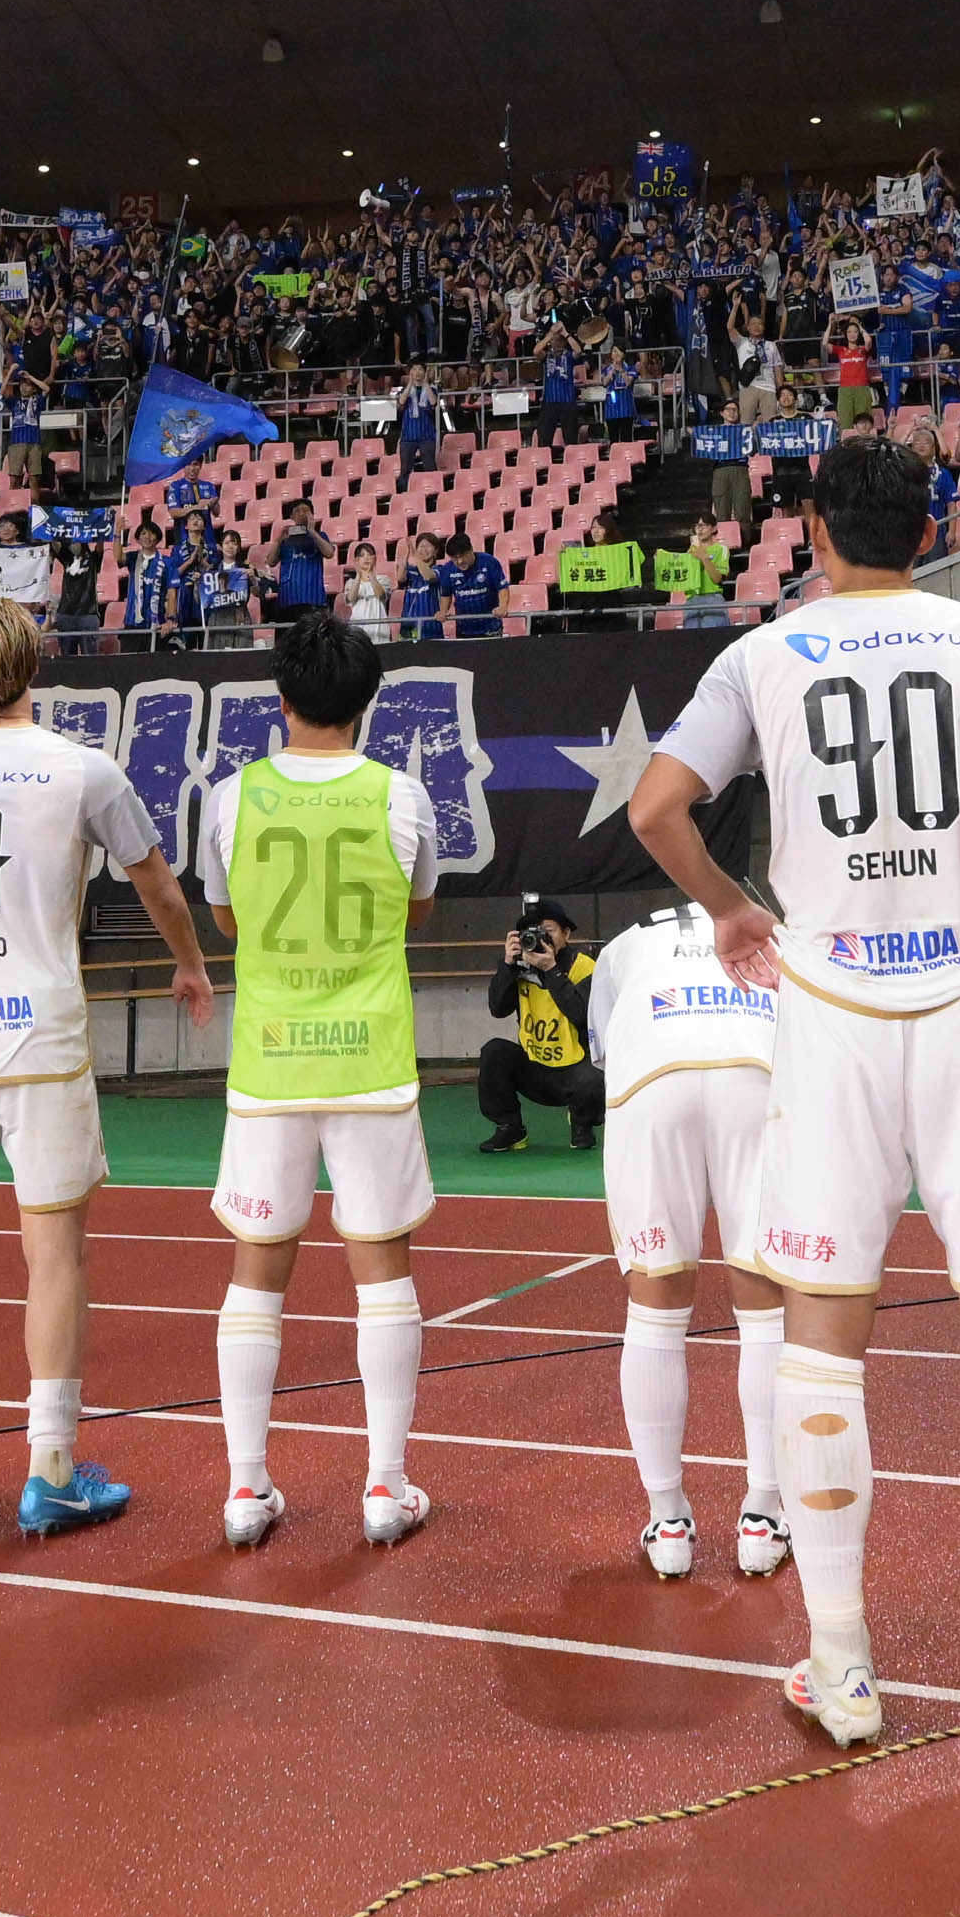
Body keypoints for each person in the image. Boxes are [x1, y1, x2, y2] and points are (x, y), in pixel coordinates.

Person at [630, 434, 960, 1752]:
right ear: (933, 525)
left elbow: (657, 808)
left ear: (814, 532)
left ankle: (843, 1665)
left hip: (832, 1014)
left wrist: (732, 909)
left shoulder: (763, 654)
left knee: (823, 1332)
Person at [0, 593, 209, 1540]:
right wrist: (189, 963)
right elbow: (156, 882)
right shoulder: (82, 768)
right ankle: (51, 1467)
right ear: (33, 663)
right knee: (53, 1252)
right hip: (42, 1036)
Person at [196, 614, 451, 1549]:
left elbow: (228, 919)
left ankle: (246, 1487)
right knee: (382, 1272)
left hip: (270, 1059)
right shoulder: (402, 795)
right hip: (370, 1058)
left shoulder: (231, 798)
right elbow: (417, 910)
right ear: (368, 701)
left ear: (281, 698)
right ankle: (385, 1486)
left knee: (257, 1273)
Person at [584, 898, 787, 1580]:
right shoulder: (776, 932)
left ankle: (668, 1519)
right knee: (764, 1301)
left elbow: (601, 1050)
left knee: (655, 1304)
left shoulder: (624, 944)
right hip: (756, 1074)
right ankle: (764, 1514)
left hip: (652, 1077)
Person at [475, 899, 599, 1152]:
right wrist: (507, 966)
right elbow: (498, 1009)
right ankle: (510, 1129)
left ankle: (582, 1123)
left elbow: (582, 1015)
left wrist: (551, 970)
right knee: (494, 1051)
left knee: (599, 1072)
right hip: (534, 1065)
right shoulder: (519, 966)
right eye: (532, 932)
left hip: (576, 1068)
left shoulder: (584, 967)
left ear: (566, 934)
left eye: (548, 930)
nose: (541, 938)